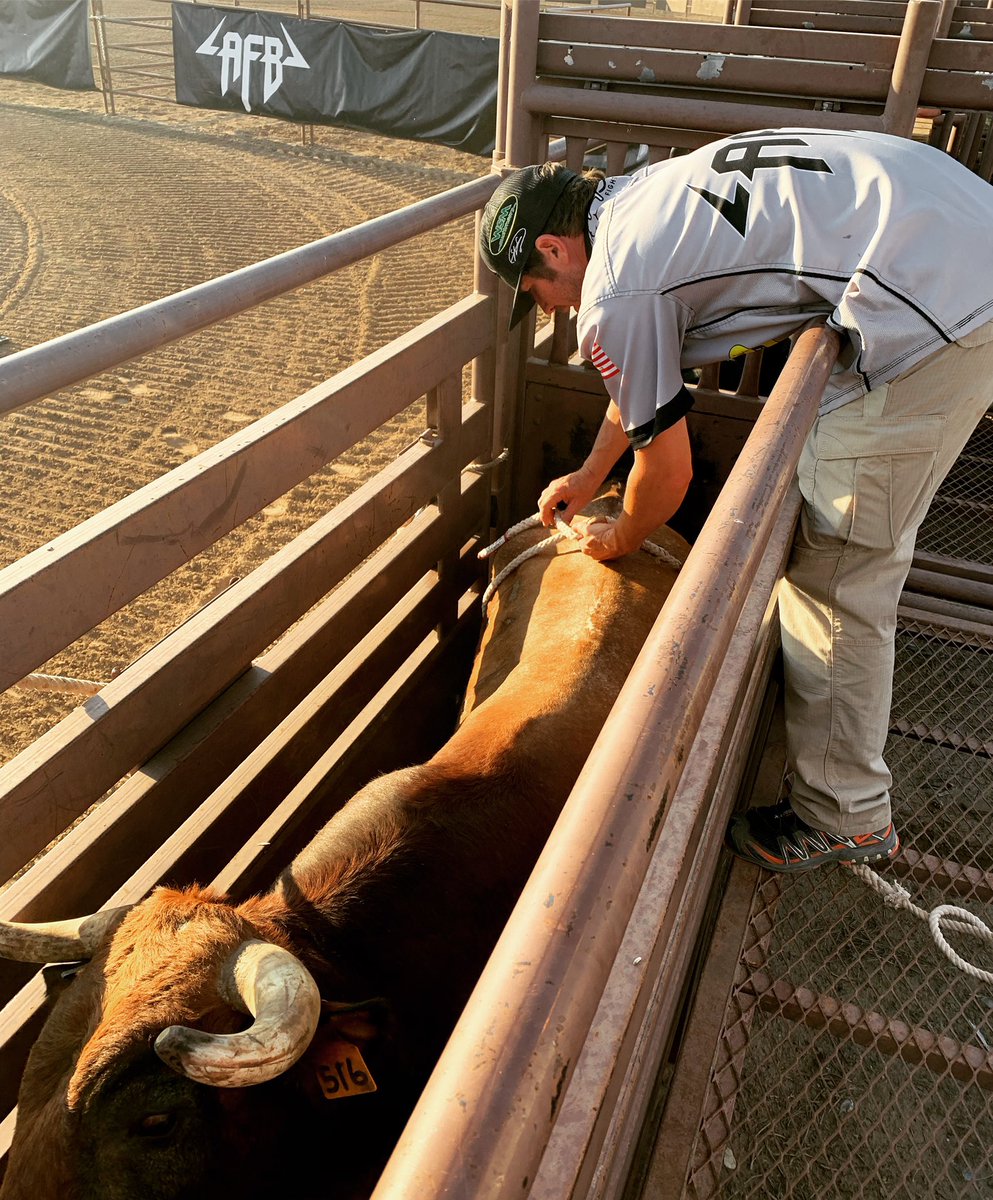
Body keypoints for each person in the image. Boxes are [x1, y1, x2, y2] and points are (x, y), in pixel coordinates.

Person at [478, 127, 993, 873]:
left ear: (554, 250)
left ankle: (844, 814)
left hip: (941, 293)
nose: (552, 310)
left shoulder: (616, 287)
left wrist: (620, 535)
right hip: (942, 227)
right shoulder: (637, 202)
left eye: (536, 291)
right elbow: (641, 382)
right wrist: (592, 476)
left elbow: (670, 475)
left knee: (839, 573)